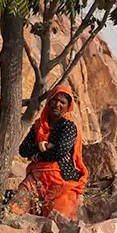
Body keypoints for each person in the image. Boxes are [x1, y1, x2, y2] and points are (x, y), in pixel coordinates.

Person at [11, 84, 88, 221]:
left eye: (62, 102)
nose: (57, 104)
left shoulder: (69, 126)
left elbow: (60, 151)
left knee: (59, 222)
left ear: (67, 106)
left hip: (62, 180)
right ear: (48, 101)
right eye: (54, 100)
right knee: (13, 211)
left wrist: (37, 155)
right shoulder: (38, 125)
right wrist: (44, 145)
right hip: (36, 178)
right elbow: (23, 150)